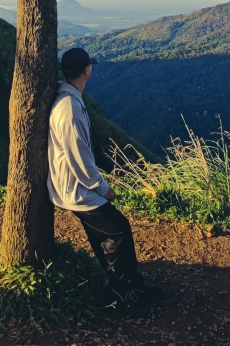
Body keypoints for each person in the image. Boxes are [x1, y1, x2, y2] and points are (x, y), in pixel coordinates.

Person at [48, 47, 163, 318]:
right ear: (86, 70)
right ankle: (123, 292)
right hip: (75, 189)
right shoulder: (70, 109)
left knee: (109, 233)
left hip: (70, 185)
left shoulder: (69, 99)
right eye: (90, 66)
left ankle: (132, 285)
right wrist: (102, 187)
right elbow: (79, 157)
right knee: (118, 230)